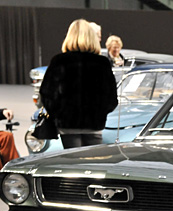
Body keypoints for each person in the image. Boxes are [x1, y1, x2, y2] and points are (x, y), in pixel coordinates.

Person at [39, 19, 118, 149]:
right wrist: (100, 112)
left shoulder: (59, 61)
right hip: (94, 124)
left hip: (67, 124)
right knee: (92, 163)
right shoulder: (102, 63)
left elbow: (47, 94)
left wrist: (58, 114)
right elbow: (111, 98)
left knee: (73, 163)